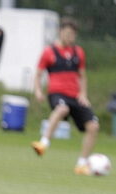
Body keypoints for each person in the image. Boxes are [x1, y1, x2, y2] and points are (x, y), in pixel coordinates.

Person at [30, 18, 99, 175]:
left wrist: (83, 94)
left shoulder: (78, 52)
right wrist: (38, 91)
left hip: (75, 96)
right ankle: (43, 143)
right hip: (57, 93)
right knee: (62, 109)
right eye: (67, 33)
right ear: (60, 32)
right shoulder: (49, 52)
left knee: (93, 127)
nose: (70, 37)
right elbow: (38, 74)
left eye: (73, 35)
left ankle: (81, 164)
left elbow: (82, 76)